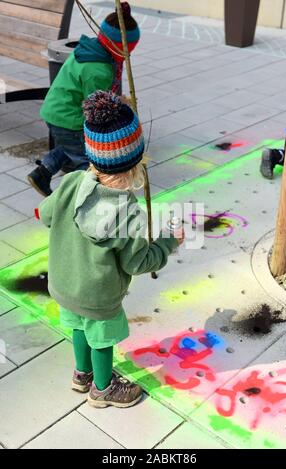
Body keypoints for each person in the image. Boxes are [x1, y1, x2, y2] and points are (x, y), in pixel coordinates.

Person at [38, 91, 185, 408]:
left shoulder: (73, 181)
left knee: (78, 326)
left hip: (64, 284)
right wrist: (168, 242)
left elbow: (47, 215)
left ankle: (81, 374)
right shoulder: (128, 213)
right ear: (136, 163)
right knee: (101, 340)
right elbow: (138, 262)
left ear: (93, 154)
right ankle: (102, 389)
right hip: (97, 295)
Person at [28, 2, 140, 197]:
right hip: (69, 118)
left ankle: (42, 173)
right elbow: (95, 106)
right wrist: (118, 104)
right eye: (128, 50)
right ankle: (83, 194)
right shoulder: (99, 69)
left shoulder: (90, 49)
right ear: (120, 46)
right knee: (86, 158)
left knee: (68, 146)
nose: (129, 54)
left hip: (55, 111)